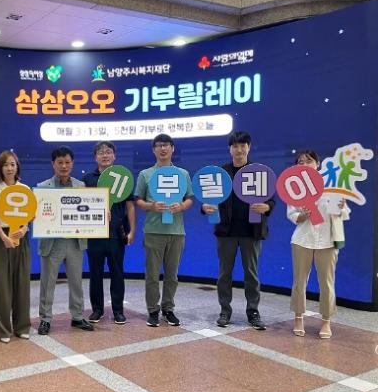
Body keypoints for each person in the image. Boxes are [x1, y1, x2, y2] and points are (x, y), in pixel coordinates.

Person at [202, 131, 274, 330]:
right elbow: (209, 198)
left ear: (249, 147)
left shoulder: (258, 172)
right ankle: (225, 311)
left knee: (251, 274)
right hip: (226, 232)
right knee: (224, 273)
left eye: (243, 145)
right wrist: (205, 207)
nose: (239, 150)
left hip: (252, 231)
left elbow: (270, 199)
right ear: (230, 149)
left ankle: (253, 312)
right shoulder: (221, 173)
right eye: (235, 146)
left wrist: (267, 207)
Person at [288, 150, 350, 339]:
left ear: (318, 164)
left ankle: (326, 321)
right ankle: (298, 318)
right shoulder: (294, 188)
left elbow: (343, 213)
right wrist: (303, 215)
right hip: (302, 240)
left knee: (327, 283)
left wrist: (340, 207)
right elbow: (292, 215)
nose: (304, 164)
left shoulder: (331, 185)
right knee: (299, 282)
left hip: (327, 241)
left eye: (308, 161)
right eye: (300, 162)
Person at [134, 134, 194, 328]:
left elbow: (190, 198)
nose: (163, 149)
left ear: (172, 148)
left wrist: (182, 206)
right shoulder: (145, 174)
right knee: (152, 275)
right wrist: (151, 206)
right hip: (153, 231)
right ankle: (153, 310)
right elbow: (138, 200)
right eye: (159, 146)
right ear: (153, 150)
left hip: (176, 232)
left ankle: (168, 309)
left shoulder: (183, 174)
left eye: (166, 145)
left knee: (172, 275)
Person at [37, 146, 94, 335]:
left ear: (72, 163)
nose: (64, 166)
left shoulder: (81, 186)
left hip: (75, 241)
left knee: (76, 281)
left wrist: (102, 215)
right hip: (52, 242)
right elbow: (37, 214)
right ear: (53, 164)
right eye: (60, 162)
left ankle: (77, 316)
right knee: (48, 283)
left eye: (67, 162)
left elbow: (88, 210)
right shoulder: (43, 187)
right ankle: (45, 319)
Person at [82, 141, 135, 325]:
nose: (105, 155)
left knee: (117, 273)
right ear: (95, 157)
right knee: (95, 274)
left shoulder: (123, 177)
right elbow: (82, 205)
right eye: (101, 152)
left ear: (114, 156)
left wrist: (132, 231)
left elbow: (130, 206)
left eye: (108, 152)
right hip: (94, 235)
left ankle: (118, 311)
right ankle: (97, 310)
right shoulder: (88, 179)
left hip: (116, 235)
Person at [0, 151, 32, 342]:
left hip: (21, 238)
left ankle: (22, 327)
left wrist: (25, 228)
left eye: (12, 164)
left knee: (23, 285)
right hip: (2, 239)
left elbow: (29, 212)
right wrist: (4, 237)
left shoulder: (24, 188)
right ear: (0, 168)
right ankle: (4, 330)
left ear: (17, 166)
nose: (9, 168)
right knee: (2, 288)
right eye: (5, 165)